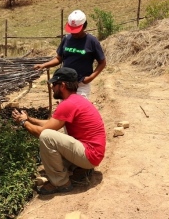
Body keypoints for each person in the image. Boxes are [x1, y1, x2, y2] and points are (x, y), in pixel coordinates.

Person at [12, 67, 106, 195]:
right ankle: (79, 169)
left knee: (46, 136)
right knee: (51, 135)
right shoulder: (76, 100)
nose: (52, 88)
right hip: (93, 153)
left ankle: (61, 183)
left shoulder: (68, 104)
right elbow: (50, 123)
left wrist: (23, 123)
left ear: (62, 85)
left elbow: (42, 132)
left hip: (90, 155)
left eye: (54, 84)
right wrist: (29, 119)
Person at [34, 9, 106, 99]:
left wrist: (90, 78)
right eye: (71, 29)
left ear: (84, 26)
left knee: (79, 110)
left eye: (76, 30)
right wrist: (44, 65)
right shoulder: (67, 39)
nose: (73, 32)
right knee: (66, 109)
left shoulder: (92, 41)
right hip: (65, 84)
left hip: (81, 84)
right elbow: (59, 59)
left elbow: (102, 62)